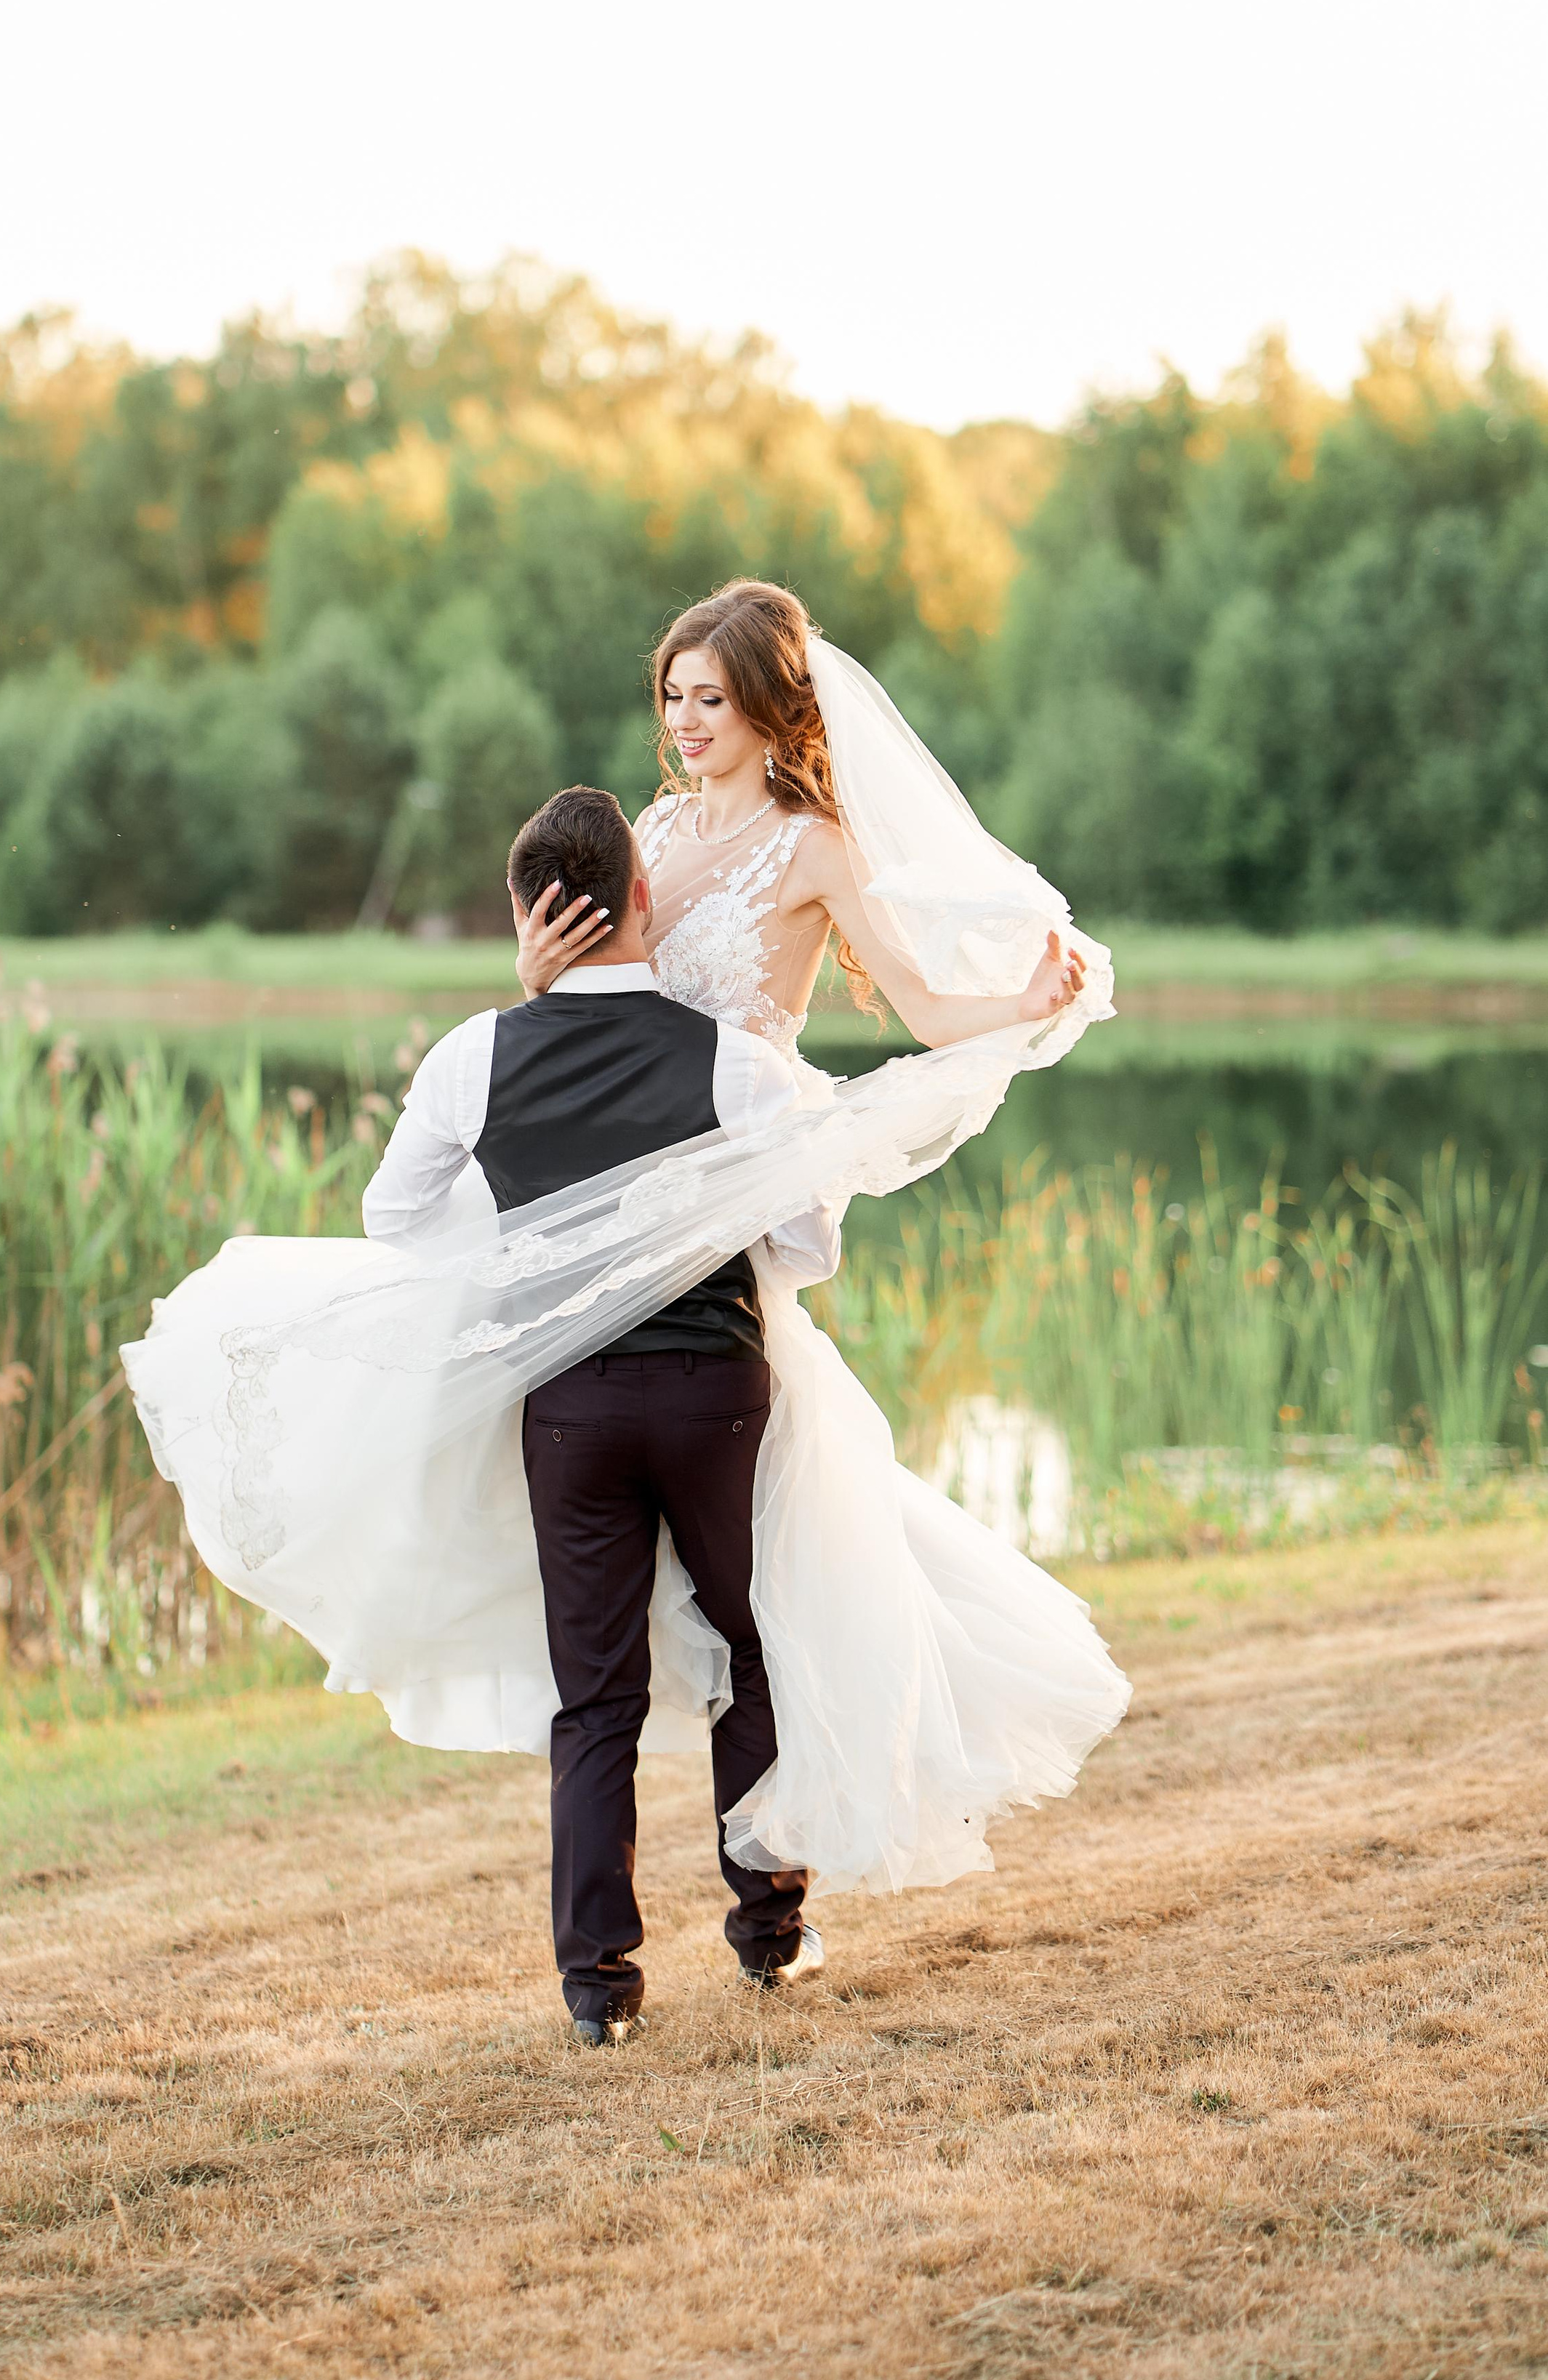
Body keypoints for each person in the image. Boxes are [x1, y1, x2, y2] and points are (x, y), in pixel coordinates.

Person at [121, 579, 1129, 2049]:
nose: (682, 723)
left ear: (774, 708)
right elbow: (587, 1022)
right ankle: (709, 1931)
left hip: (723, 1235)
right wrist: (527, 986)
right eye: (669, 696)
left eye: (708, 699)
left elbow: (911, 1009)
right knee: (669, 1622)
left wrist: (1027, 1006)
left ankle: (744, 1918)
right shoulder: (648, 840)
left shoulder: (813, 844)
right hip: (636, 1235)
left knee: (764, 1606)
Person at [364, 784, 838, 2042]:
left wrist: (538, 1230)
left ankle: (600, 1988)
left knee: (596, 1693)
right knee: (752, 1655)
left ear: (528, 918)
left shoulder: (477, 1054)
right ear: (643, 900)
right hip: (716, 1395)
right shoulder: (737, 1061)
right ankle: (769, 1933)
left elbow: (392, 1221)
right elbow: (808, 1240)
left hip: (568, 1406)